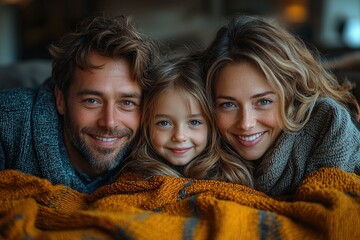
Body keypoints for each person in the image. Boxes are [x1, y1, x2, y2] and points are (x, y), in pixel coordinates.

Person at [202, 15, 360, 196]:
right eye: (228, 104)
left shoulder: (330, 129)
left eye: (263, 101)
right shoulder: (196, 141)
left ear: (293, 94)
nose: (246, 123)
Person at [0, 15, 157, 193]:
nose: (109, 122)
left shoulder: (166, 140)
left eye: (127, 102)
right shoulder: (7, 121)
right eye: (92, 101)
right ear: (60, 99)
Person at [121, 56, 253, 186]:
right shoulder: (134, 178)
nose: (179, 136)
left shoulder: (231, 174)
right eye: (164, 123)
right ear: (147, 125)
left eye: (194, 122)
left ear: (211, 125)